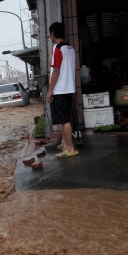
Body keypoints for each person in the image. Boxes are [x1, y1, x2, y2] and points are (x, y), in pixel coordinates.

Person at [46, 22, 79, 158]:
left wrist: (50, 90)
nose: (50, 36)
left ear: (52, 34)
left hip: (60, 89)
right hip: (69, 88)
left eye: (50, 33)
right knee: (65, 117)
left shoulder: (57, 48)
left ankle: (70, 149)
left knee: (64, 120)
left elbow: (56, 71)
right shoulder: (70, 48)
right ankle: (65, 143)